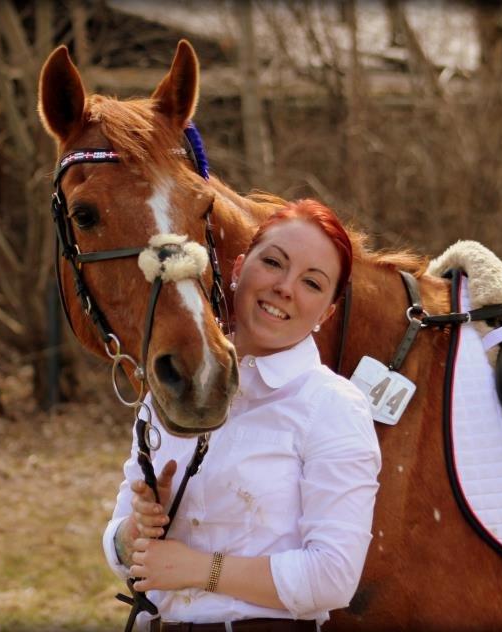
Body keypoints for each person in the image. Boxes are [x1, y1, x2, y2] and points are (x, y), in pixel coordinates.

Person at [102, 199, 381, 632]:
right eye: (273, 262)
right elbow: (120, 550)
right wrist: (136, 531)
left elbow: (333, 577)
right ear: (236, 269)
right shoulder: (173, 387)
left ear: (326, 313)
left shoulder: (333, 406)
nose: (285, 287)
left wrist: (200, 569)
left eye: (311, 283)